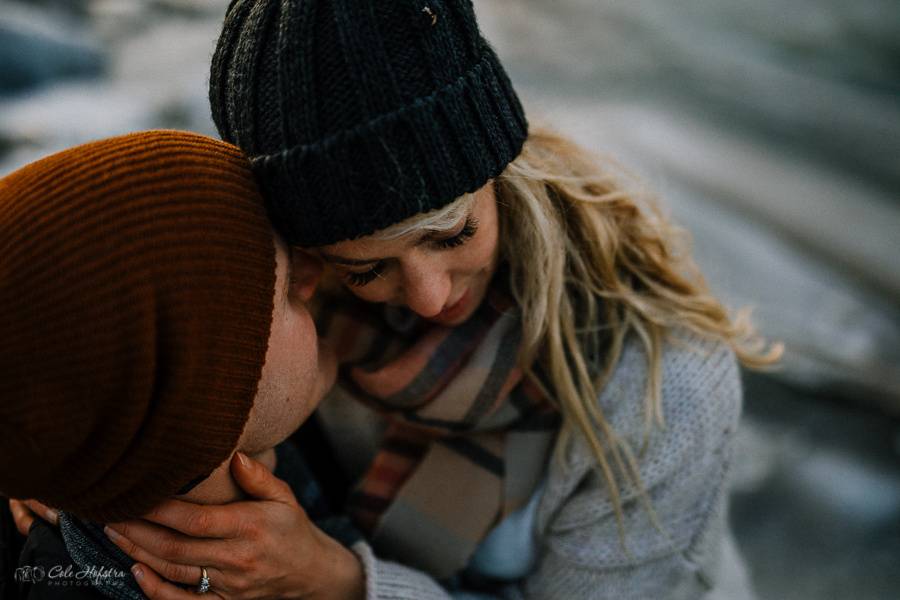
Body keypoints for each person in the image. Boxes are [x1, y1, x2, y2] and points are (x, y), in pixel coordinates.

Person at [17, 1, 783, 598]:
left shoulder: (662, 383)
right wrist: (64, 447)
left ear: (496, 171)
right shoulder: (272, 309)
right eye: (365, 269)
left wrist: (336, 582)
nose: (425, 297)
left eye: (452, 235)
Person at [0, 130, 365, 599]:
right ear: (200, 398)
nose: (318, 274)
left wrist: (332, 577)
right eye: (287, 285)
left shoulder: (284, 443)